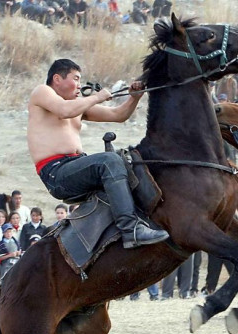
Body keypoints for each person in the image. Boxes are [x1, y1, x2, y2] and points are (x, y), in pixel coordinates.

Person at [29, 59, 167, 248]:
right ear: (57, 79)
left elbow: (118, 115)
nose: (79, 84)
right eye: (76, 79)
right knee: (108, 161)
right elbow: (63, 111)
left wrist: (134, 97)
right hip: (56, 172)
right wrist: (97, 96)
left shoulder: (77, 105)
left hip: (76, 165)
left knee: (126, 160)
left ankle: (144, 219)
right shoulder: (43, 92)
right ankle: (130, 229)